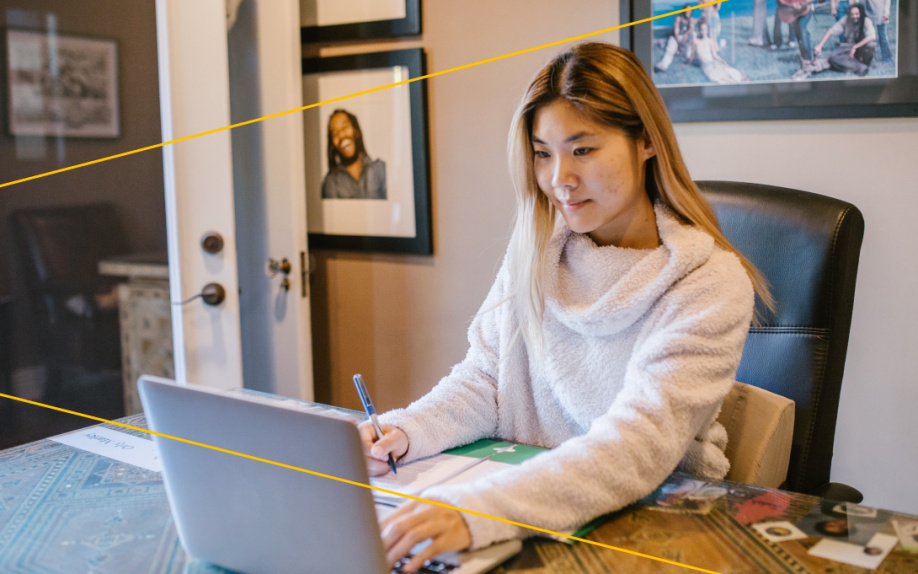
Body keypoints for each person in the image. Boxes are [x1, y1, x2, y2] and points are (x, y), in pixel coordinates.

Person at [361, 43, 769, 573]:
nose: (559, 179)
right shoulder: (538, 249)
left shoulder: (709, 281)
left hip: (652, 522)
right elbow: (489, 380)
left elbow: (637, 446)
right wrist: (407, 429)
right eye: (542, 152)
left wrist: (480, 513)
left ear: (646, 140)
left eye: (582, 150)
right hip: (530, 507)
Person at [320, 108, 387, 200]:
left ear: (356, 131)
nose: (342, 135)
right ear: (332, 144)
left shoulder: (381, 169)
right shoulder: (331, 182)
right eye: (335, 132)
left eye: (345, 127)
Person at [813, 3, 877, 77]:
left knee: (871, 44)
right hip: (848, 45)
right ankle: (860, 67)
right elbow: (831, 31)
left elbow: (872, 37)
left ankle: (864, 63)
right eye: (852, 14)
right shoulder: (845, 19)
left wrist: (855, 47)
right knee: (833, 58)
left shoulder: (866, 21)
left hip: (862, 46)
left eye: (857, 14)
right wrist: (820, 45)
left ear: (861, 13)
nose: (854, 16)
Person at [690, 19, 749, 84]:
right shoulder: (695, 41)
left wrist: (724, 62)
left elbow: (714, 55)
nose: (703, 31)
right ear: (699, 30)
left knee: (727, 70)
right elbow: (692, 55)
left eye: (705, 29)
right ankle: (738, 83)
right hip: (706, 65)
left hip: (713, 62)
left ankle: (741, 80)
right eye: (702, 29)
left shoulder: (710, 41)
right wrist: (687, 63)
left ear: (707, 30)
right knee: (717, 78)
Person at [655, 4, 696, 72]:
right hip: (676, 37)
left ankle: (688, 60)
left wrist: (686, 35)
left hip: (685, 37)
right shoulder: (678, 17)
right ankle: (663, 65)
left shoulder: (691, 19)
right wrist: (678, 43)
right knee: (670, 50)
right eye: (687, 10)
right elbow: (676, 31)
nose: (688, 12)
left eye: (690, 10)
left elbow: (691, 28)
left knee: (693, 36)